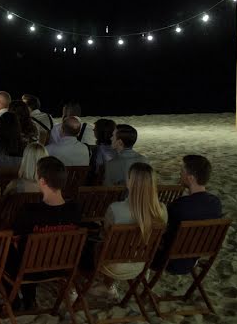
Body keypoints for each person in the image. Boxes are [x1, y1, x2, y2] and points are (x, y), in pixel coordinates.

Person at [9, 156, 82, 309]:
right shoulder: (75, 210)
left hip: (30, 270)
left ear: (42, 181)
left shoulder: (30, 211)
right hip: (62, 267)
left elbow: (15, 238)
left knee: (8, 251)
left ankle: (16, 300)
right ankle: (29, 299)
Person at [100, 162, 167, 299]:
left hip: (114, 266)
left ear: (131, 182)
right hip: (140, 264)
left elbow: (104, 236)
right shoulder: (162, 211)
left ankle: (108, 285)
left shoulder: (115, 209)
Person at [152, 155, 223, 274]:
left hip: (168, 261)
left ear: (190, 178)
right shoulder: (216, 203)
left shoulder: (180, 206)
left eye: (182, 171)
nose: (180, 174)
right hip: (194, 258)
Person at [88, 118, 117, 184]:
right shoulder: (118, 149)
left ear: (99, 132)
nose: (93, 129)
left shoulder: (98, 150)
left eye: (95, 128)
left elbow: (98, 171)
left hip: (102, 184)